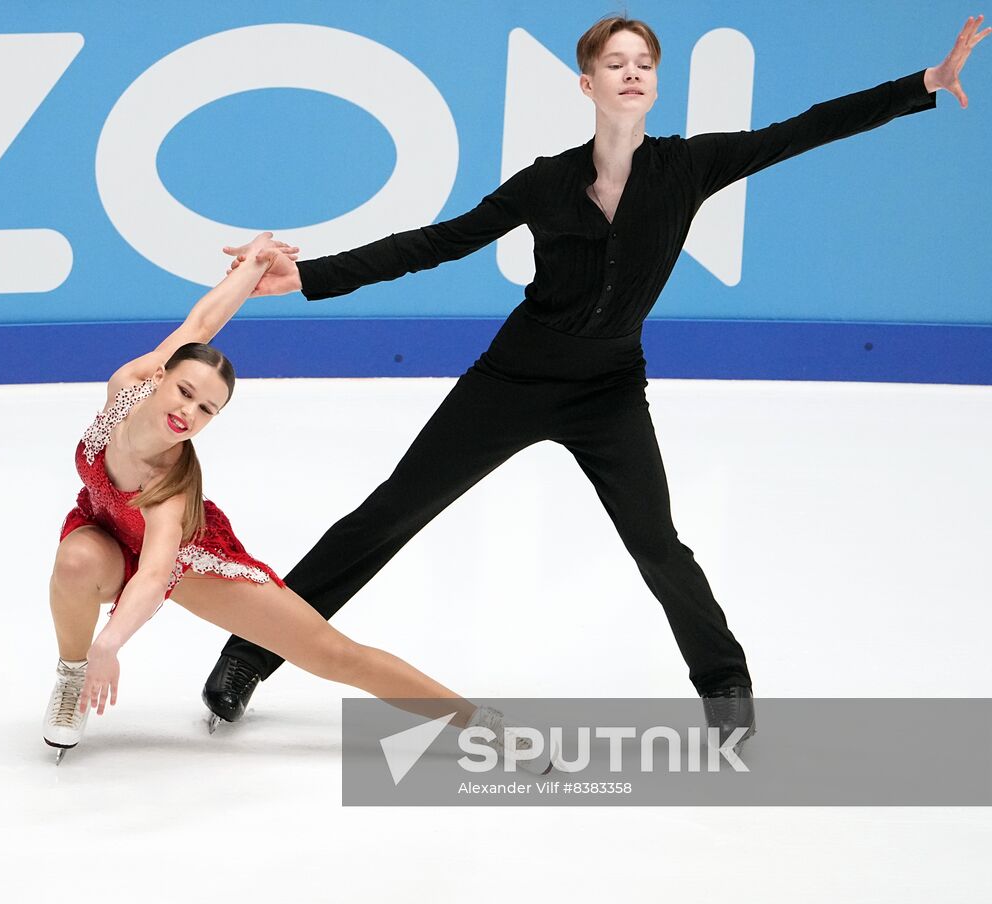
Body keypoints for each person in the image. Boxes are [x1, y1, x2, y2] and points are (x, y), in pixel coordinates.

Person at [203, 15, 989, 748]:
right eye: (615, 63)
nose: (632, 72)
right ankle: (250, 653)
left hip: (608, 386)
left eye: (644, 63)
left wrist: (922, 82)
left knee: (656, 542)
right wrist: (307, 279)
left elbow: (801, 132)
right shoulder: (546, 182)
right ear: (588, 84)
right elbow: (436, 243)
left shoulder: (688, 166)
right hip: (513, 377)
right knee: (386, 517)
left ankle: (724, 684)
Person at [42, 230, 554, 771]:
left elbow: (152, 578)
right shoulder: (130, 384)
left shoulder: (172, 486)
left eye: (207, 410)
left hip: (189, 562)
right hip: (103, 531)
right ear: (162, 375)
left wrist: (111, 642)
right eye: (185, 392)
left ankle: (480, 723)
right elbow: (201, 325)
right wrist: (253, 264)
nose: (188, 413)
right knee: (75, 560)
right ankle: (71, 681)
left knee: (333, 654)